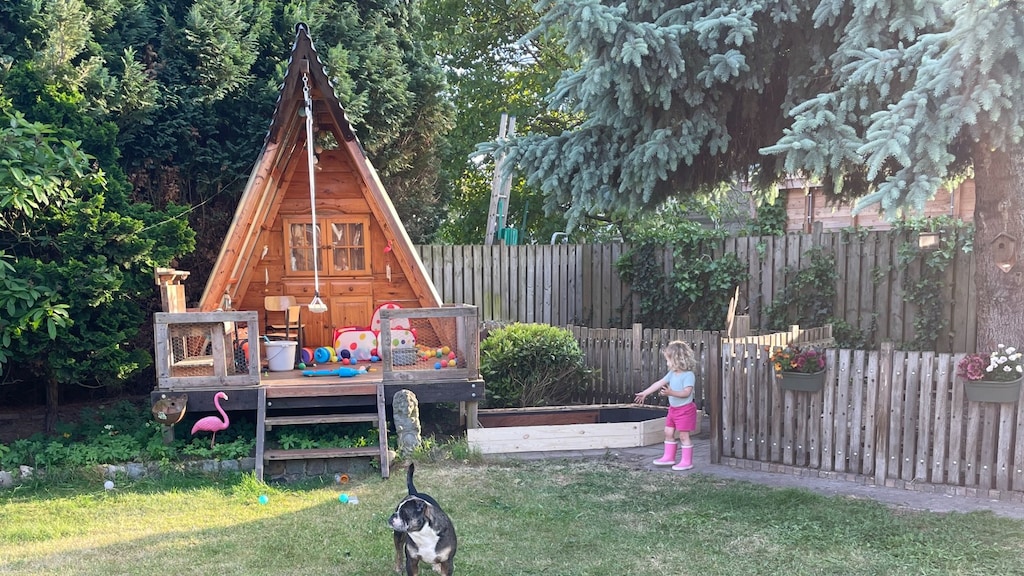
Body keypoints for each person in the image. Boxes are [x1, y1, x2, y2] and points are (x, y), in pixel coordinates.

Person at [634, 340, 697, 471]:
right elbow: (659, 383)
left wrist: (671, 392)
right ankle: (669, 457)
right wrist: (645, 393)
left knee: (683, 436)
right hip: (673, 410)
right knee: (668, 432)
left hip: (685, 410)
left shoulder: (688, 375)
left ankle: (687, 461)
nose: (667, 363)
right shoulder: (672, 374)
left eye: (668, 360)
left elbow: (686, 393)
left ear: (677, 360)